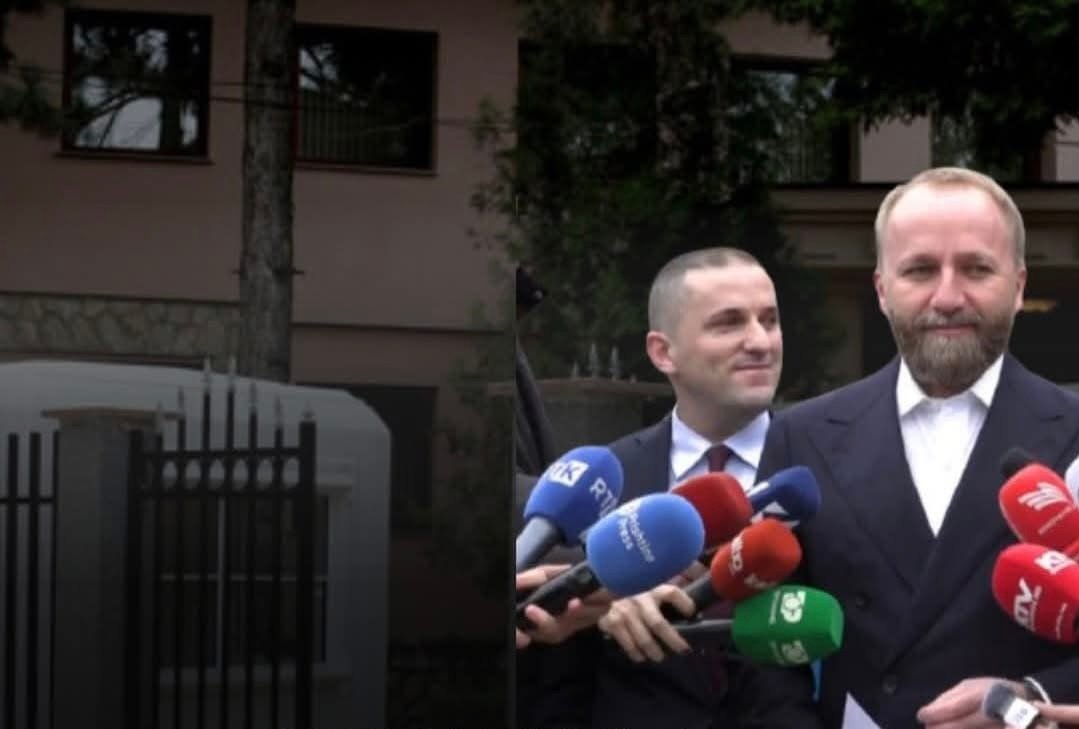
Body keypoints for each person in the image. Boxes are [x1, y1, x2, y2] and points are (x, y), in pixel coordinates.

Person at [756, 167, 1079, 729]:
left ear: (1019, 286)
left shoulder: (1074, 429)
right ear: (882, 289)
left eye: (977, 269)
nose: (948, 297)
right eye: (920, 270)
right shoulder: (800, 435)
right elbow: (765, 638)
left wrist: (1029, 700)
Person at [523, 247, 819, 729]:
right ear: (663, 352)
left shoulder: (826, 466)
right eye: (729, 324)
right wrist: (603, 610)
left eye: (769, 320)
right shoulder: (601, 484)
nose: (760, 342)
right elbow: (561, 681)